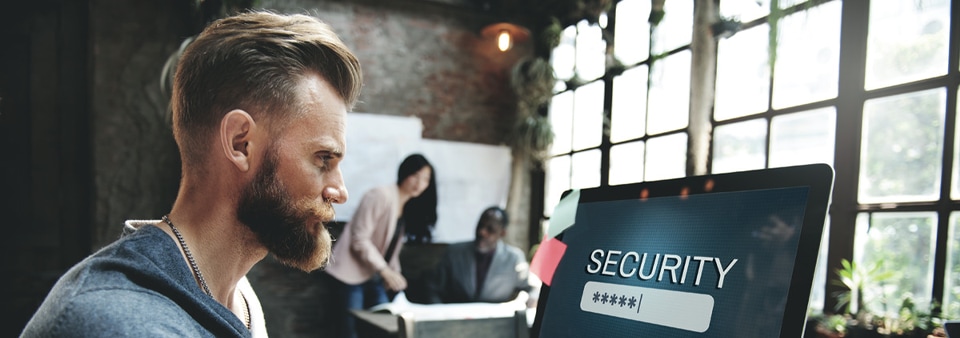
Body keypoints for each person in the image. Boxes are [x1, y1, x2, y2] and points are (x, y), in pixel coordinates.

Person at [21, 10, 362, 337]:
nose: (339, 190)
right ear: (240, 143)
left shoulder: (237, 296)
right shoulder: (118, 323)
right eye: (323, 159)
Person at [324, 153, 437, 338]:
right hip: (351, 275)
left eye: (425, 179)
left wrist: (395, 274)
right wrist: (385, 271)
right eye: (415, 175)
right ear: (405, 173)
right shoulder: (380, 195)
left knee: (385, 328)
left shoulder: (407, 207)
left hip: (374, 276)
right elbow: (359, 238)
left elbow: (390, 249)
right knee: (350, 332)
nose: (419, 183)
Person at [428, 206, 535, 305]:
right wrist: (441, 313)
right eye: (480, 225)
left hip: (496, 320)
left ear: (502, 233)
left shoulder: (514, 258)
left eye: (490, 229)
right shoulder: (454, 252)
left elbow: (532, 287)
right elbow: (433, 288)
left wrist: (532, 299)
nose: (482, 232)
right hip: (456, 318)